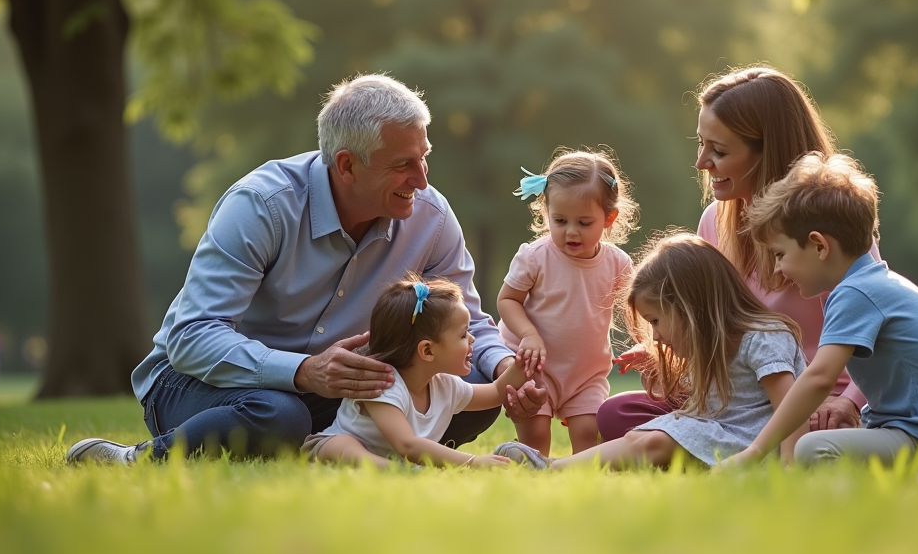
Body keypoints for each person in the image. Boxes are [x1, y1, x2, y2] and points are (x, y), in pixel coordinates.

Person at [66, 74, 546, 464]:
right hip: (201, 381)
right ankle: (135, 459)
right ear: (346, 165)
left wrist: (504, 368)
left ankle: (335, 451)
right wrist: (304, 371)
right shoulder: (261, 205)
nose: (421, 181)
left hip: (336, 389)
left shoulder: (432, 216)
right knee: (280, 414)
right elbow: (191, 336)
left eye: (424, 159)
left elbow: (470, 323)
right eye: (404, 165)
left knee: (462, 401)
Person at [600, 66, 869, 440]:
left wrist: (849, 403)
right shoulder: (714, 222)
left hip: (813, 404)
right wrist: (668, 347)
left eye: (719, 151)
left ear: (768, 152)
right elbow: (711, 322)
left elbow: (873, 328)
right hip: (739, 399)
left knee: (813, 435)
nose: (701, 162)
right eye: (701, 143)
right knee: (618, 412)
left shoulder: (830, 227)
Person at [723, 152, 918, 472]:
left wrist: (754, 451)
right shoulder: (871, 282)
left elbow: (820, 378)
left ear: (819, 246)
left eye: (780, 254)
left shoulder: (855, 293)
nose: (779, 269)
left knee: (811, 449)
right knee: (826, 438)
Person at [494, 232, 808, 470]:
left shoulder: (764, 337)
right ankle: (551, 467)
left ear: (690, 307)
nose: (655, 335)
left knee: (658, 441)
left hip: (752, 443)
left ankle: (553, 470)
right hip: (718, 433)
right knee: (640, 438)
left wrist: (791, 467)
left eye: (656, 321)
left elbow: (794, 407)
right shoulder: (711, 346)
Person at [305, 276, 534, 468]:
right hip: (335, 447)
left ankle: (397, 469)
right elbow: (408, 444)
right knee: (343, 444)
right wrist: (473, 462)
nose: (472, 339)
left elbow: (496, 391)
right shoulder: (383, 385)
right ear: (427, 350)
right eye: (463, 335)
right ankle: (387, 469)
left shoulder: (445, 385)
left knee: (406, 463)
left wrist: (522, 364)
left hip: (399, 459)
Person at [496, 150, 637, 455]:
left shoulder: (618, 264)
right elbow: (507, 300)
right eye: (559, 220)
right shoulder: (535, 257)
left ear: (609, 218)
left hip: (586, 373)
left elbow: (635, 311)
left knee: (589, 436)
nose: (571, 231)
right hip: (535, 368)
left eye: (584, 222)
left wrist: (642, 344)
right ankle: (535, 482)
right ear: (547, 212)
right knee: (535, 436)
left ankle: (581, 491)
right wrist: (528, 334)